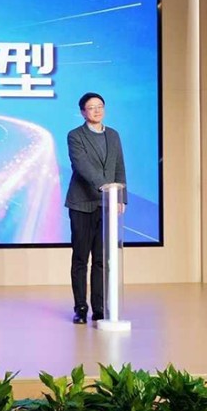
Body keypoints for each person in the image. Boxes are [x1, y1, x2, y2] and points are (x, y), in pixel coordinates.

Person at [65, 93, 125, 326]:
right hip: (82, 204)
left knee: (102, 259)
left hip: (106, 204)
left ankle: (99, 308)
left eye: (100, 106)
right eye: (91, 107)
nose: (97, 110)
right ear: (83, 112)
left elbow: (119, 167)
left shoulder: (113, 135)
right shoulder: (75, 135)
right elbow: (81, 166)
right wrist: (104, 186)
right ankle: (80, 308)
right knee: (81, 258)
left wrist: (120, 196)